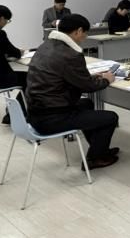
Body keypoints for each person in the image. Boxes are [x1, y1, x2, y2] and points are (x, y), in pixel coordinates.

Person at [26, 14, 119, 170]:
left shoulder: (46, 45)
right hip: (52, 118)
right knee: (111, 117)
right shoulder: (70, 54)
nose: (85, 37)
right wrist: (107, 80)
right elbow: (87, 86)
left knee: (87, 103)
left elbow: (66, 76)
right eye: (85, 33)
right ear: (78, 31)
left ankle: (98, 149)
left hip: (36, 112)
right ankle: (95, 159)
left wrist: (90, 77)